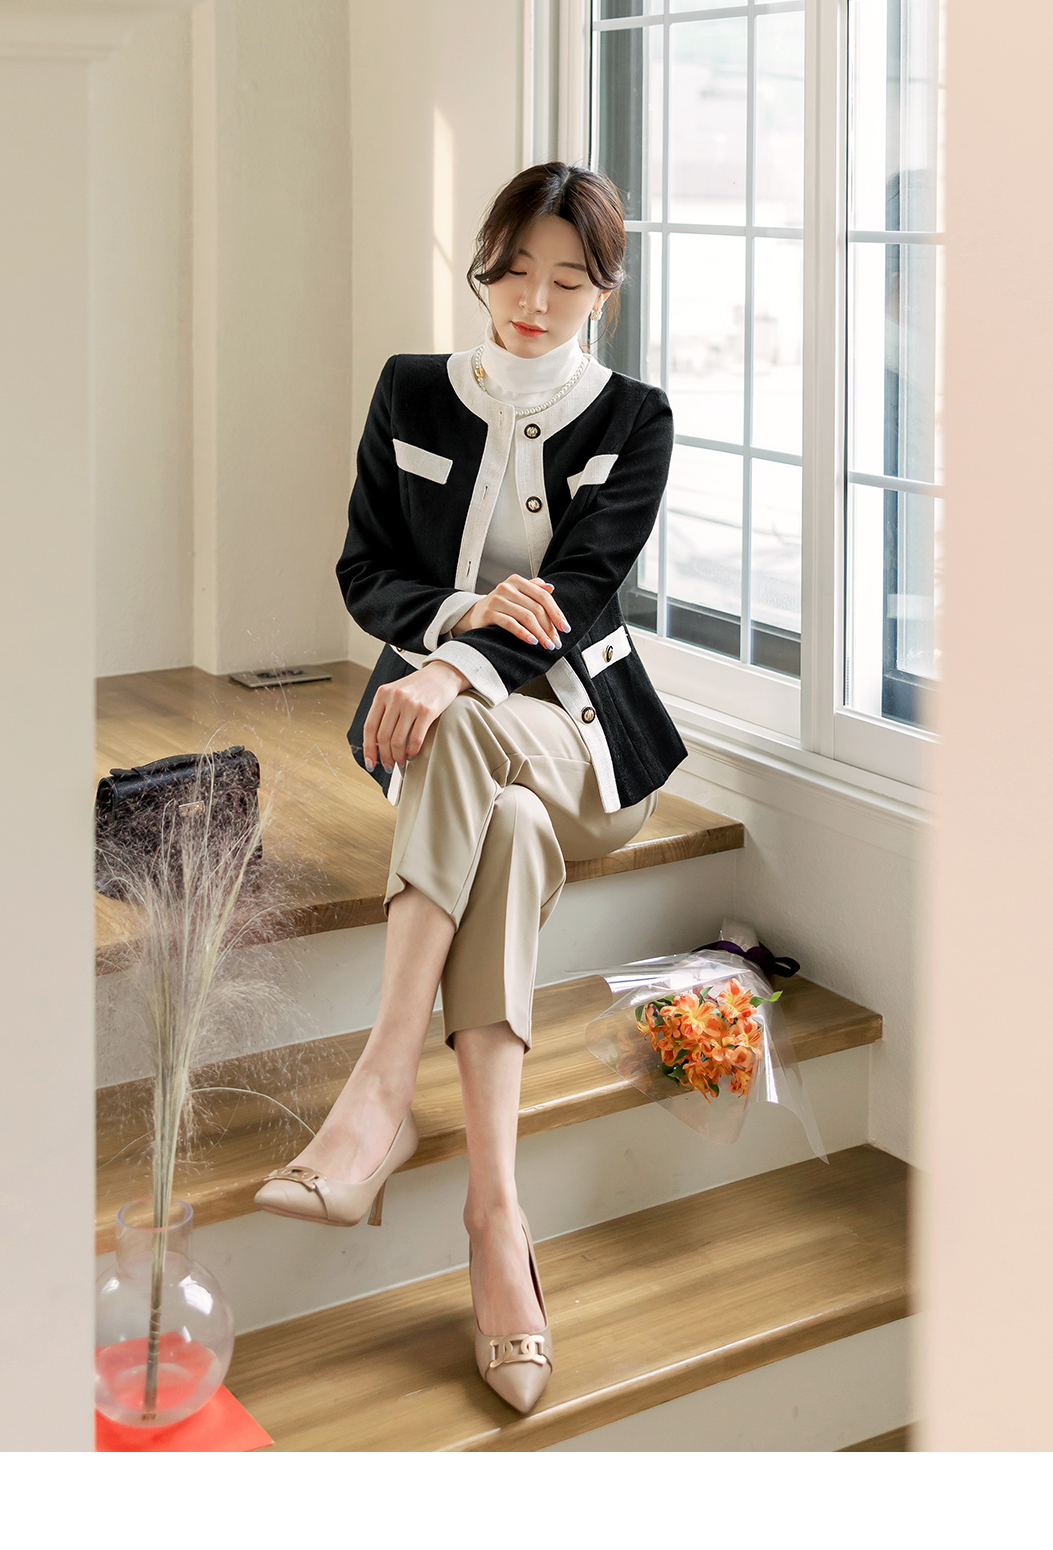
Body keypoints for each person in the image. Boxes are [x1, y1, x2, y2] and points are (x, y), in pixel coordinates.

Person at [254, 161, 686, 1415]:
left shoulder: (635, 418)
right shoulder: (411, 392)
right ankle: (498, 1220)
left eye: (569, 281)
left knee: (471, 742)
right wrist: (452, 621)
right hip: (462, 762)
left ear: (604, 294)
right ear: (483, 268)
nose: (533, 303)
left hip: (586, 749)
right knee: (500, 820)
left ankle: (382, 1092)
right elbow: (366, 570)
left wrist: (448, 674)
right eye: (514, 272)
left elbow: (581, 596)